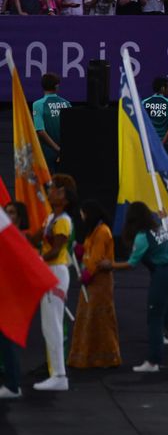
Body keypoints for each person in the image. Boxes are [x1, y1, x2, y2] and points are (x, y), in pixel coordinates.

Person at [102, 202, 168, 372]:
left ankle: (153, 361)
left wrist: (111, 265)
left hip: (163, 277)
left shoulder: (142, 236)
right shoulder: (159, 228)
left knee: (155, 318)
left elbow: (132, 264)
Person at [29, 180, 75, 391]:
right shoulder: (50, 218)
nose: (51, 191)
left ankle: (59, 374)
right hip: (49, 270)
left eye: (55, 189)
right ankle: (55, 372)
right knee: (48, 325)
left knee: (53, 324)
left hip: (55, 271)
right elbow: (34, 238)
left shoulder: (63, 221)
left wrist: (37, 261)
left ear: (64, 196)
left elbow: (56, 250)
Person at [67, 200, 120, 369]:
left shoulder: (102, 231)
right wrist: (80, 250)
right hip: (92, 282)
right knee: (88, 319)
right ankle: (88, 356)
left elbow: (96, 258)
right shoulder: (95, 231)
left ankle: (106, 357)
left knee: (100, 319)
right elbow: (91, 251)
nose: (81, 216)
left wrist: (86, 275)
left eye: (83, 213)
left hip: (99, 282)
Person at [32, 72, 71, 172]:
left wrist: (57, 149)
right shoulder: (67, 104)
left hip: (47, 153)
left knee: (48, 185)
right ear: (57, 86)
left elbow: (40, 130)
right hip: (65, 153)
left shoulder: (38, 104)